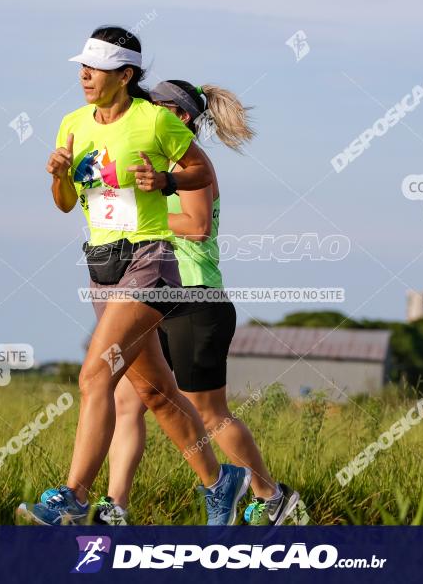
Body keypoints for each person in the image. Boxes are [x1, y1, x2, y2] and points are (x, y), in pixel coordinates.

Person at [16, 26, 251, 526]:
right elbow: (64, 206)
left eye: (95, 68)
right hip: (101, 266)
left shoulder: (153, 121)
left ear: (124, 75)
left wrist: (164, 179)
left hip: (149, 263)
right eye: (81, 66)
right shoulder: (72, 123)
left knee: (95, 374)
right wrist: (58, 175)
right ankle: (220, 481)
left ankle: (75, 495)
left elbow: (202, 173)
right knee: (156, 394)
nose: (84, 75)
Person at [87, 79, 301, 526]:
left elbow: (198, 225)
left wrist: (135, 214)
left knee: (209, 411)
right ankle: (115, 507)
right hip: (147, 294)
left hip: (193, 297)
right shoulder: (148, 162)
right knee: (128, 401)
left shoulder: (187, 166)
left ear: (180, 118)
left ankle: (269, 495)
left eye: (156, 109)